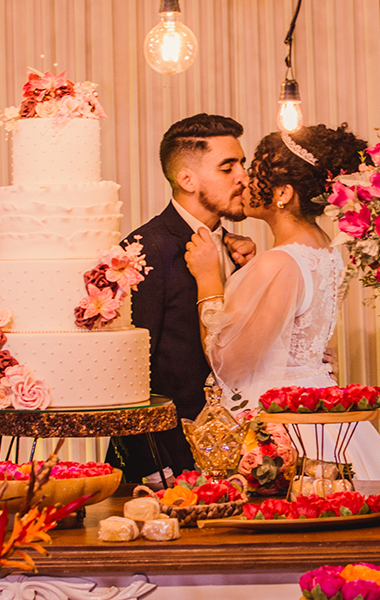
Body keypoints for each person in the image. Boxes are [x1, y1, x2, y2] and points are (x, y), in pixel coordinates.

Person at [184, 124, 380, 481]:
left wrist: (209, 278)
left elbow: (228, 362)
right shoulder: (325, 251)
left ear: (283, 193)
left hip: (288, 420)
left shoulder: (279, 262)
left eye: (254, 172)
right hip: (320, 404)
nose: (242, 180)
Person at [107, 113, 256, 483]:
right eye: (228, 167)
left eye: (243, 163)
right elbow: (132, 373)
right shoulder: (145, 249)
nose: (244, 177)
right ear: (187, 179)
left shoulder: (238, 247)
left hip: (235, 451)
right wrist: (157, 467)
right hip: (167, 461)